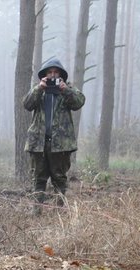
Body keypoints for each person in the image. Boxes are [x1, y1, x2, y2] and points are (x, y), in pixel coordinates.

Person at [22, 57, 85, 207]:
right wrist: (39, 88)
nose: (53, 75)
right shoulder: (38, 90)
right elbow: (27, 104)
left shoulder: (68, 90)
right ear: (44, 74)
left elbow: (79, 102)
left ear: (61, 75)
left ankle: (59, 212)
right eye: (49, 72)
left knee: (60, 179)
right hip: (38, 144)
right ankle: (36, 211)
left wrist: (65, 90)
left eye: (56, 72)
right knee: (38, 179)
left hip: (61, 145)